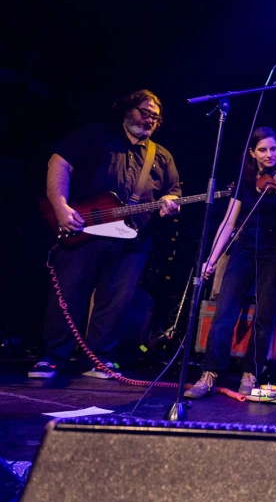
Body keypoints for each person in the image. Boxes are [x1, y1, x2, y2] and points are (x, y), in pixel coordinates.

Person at [29, 90, 181, 379]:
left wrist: (168, 204)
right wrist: (60, 206)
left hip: (134, 238)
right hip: (83, 228)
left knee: (116, 300)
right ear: (128, 110)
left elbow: (172, 191)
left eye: (155, 117)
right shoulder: (96, 135)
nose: (149, 120)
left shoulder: (161, 156)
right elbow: (58, 163)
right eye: (144, 112)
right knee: (70, 292)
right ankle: (54, 357)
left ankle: (101, 359)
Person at [185, 127, 276, 398]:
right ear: (252, 153)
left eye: (273, 149)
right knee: (224, 312)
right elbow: (229, 222)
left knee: (265, 316)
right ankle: (210, 373)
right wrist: (211, 259)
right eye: (263, 150)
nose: (269, 155)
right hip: (243, 248)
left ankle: (250, 372)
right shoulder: (245, 181)